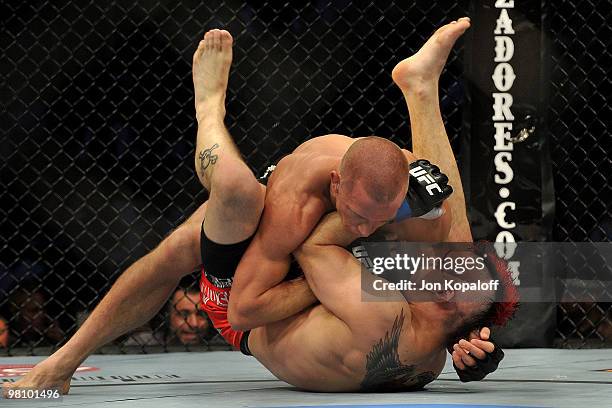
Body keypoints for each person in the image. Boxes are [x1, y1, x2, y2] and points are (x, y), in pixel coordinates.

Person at [4, 18, 505, 396]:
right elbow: (242, 310)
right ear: (336, 186)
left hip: (346, 256)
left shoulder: (405, 186)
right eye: (358, 215)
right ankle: (209, 108)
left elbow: (449, 269)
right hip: (246, 293)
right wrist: (353, 258)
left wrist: (468, 336)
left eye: (381, 215)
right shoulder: (295, 209)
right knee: (230, 204)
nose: (367, 225)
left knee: (447, 234)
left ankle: (419, 89)